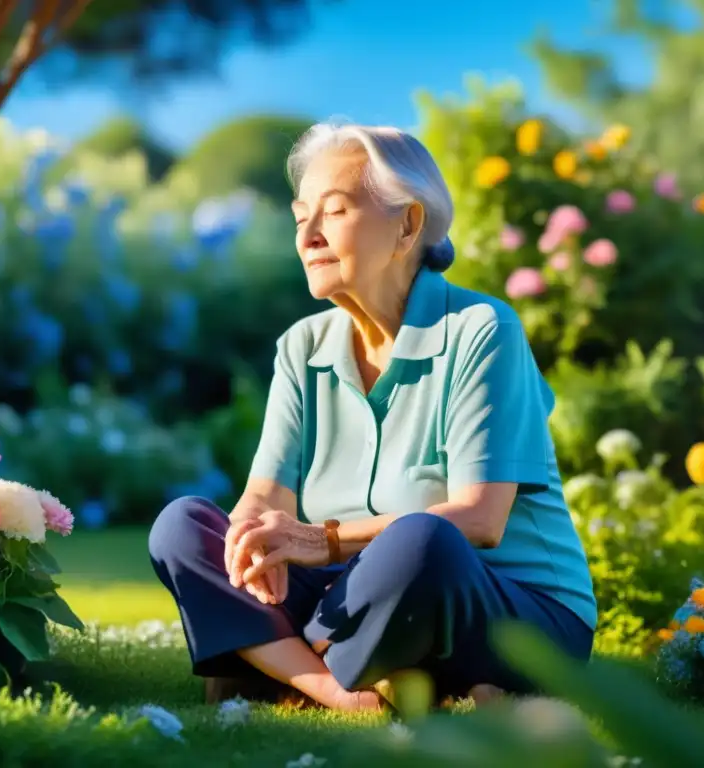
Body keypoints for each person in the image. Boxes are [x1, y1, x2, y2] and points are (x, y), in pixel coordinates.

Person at [149, 123, 597, 712]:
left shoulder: (483, 330)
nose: (308, 235)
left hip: (508, 605)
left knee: (423, 539)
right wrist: (251, 545)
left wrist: (323, 540)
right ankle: (338, 688)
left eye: (333, 212)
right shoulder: (301, 346)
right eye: (299, 217)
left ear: (408, 225)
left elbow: (481, 520)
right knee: (183, 527)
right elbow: (264, 498)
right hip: (354, 596)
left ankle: (269, 664)